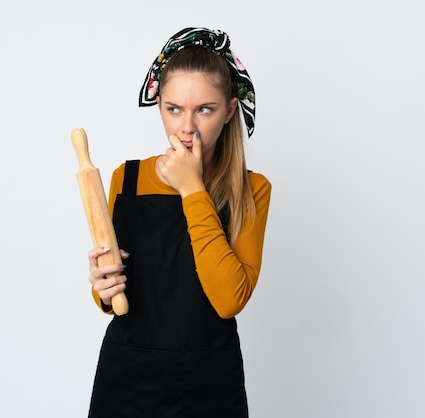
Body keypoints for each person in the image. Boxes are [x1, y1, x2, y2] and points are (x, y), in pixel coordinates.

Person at [85, 27, 271, 418]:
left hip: (209, 383)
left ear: (230, 110)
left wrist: (192, 189)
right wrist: (103, 289)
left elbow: (228, 299)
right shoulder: (127, 179)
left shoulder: (251, 189)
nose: (187, 127)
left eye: (204, 109)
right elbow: (116, 288)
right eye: (174, 109)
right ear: (160, 107)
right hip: (128, 378)